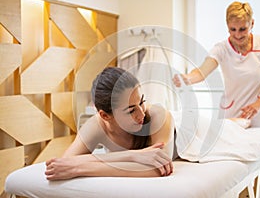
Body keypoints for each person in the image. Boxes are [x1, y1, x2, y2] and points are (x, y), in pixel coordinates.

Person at [173, 1, 260, 198]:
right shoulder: (221, 48)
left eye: (243, 29)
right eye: (233, 29)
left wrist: (258, 104)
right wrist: (186, 79)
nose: (238, 35)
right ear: (227, 26)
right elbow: (202, 72)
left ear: (252, 24)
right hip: (233, 114)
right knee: (233, 165)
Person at [45, 67, 175, 180]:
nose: (141, 114)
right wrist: (133, 155)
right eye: (131, 111)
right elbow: (67, 162)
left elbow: (159, 168)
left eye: (141, 102)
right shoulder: (96, 125)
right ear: (105, 116)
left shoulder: (159, 116)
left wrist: (81, 168)